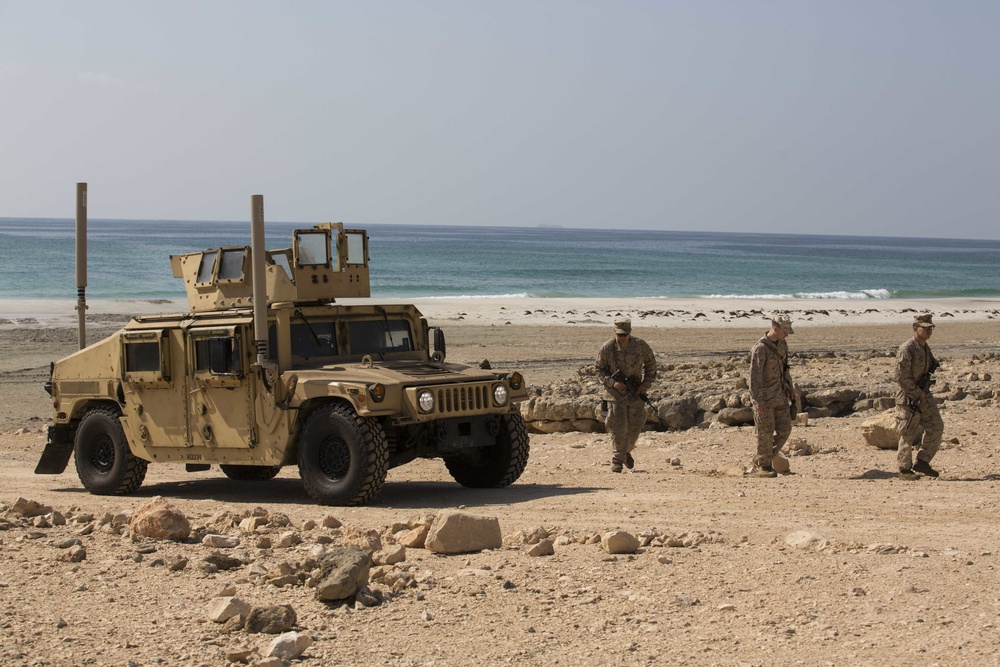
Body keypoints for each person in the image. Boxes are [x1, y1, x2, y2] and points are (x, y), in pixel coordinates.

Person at [596, 319, 657, 473]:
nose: (622, 337)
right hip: (616, 394)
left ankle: (625, 451)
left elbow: (651, 365)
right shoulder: (607, 348)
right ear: (614, 331)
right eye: (620, 335)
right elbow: (599, 370)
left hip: (635, 392)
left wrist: (646, 383)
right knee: (617, 426)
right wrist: (612, 383)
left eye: (625, 335)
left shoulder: (640, 346)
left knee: (636, 426)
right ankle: (617, 460)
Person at [895, 313, 944, 479]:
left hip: (924, 395)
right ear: (915, 328)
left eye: (931, 328)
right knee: (907, 432)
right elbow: (901, 376)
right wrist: (916, 393)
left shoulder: (925, 347)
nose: (929, 331)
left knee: (936, 426)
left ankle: (923, 461)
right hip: (909, 396)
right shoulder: (907, 348)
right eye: (925, 328)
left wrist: (923, 392)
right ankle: (904, 469)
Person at [748, 314, 796, 477]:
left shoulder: (782, 345)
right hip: (764, 399)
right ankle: (764, 466)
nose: (787, 334)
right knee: (765, 433)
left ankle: (763, 458)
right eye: (785, 331)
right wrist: (757, 401)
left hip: (780, 395)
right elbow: (754, 378)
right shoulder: (760, 349)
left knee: (785, 429)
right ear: (775, 328)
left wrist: (790, 389)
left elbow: (785, 369)